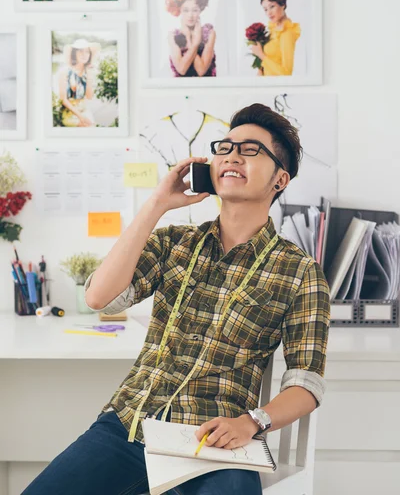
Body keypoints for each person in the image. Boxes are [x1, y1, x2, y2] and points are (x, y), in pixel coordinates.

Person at [23, 103, 330, 495]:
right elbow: (100, 296)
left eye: (251, 150)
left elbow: (306, 385)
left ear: (280, 179)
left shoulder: (300, 271)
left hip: (217, 440)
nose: (232, 155)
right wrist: (157, 205)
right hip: (131, 425)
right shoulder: (175, 242)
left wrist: (251, 422)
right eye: (225, 147)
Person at [166, 0, 216, 77]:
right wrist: (192, 43)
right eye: (186, 10)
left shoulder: (209, 33)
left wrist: (194, 43)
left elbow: (201, 71)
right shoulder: (173, 36)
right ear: (180, 10)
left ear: (200, 9)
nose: (190, 15)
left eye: (194, 10)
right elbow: (181, 69)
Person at [251, 0, 301, 76]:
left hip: (277, 88)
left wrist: (261, 55)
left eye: (272, 6)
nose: (268, 13)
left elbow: (286, 73)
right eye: (265, 9)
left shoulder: (287, 33)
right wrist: (260, 70)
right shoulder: (274, 28)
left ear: (282, 4)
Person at [57, 38, 100, 127]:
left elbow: (89, 96)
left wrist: (89, 75)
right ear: (74, 53)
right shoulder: (65, 72)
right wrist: (81, 117)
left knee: (93, 127)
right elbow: (63, 100)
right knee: (86, 127)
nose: (84, 55)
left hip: (84, 110)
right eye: (80, 51)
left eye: (87, 52)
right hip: (69, 112)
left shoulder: (87, 72)